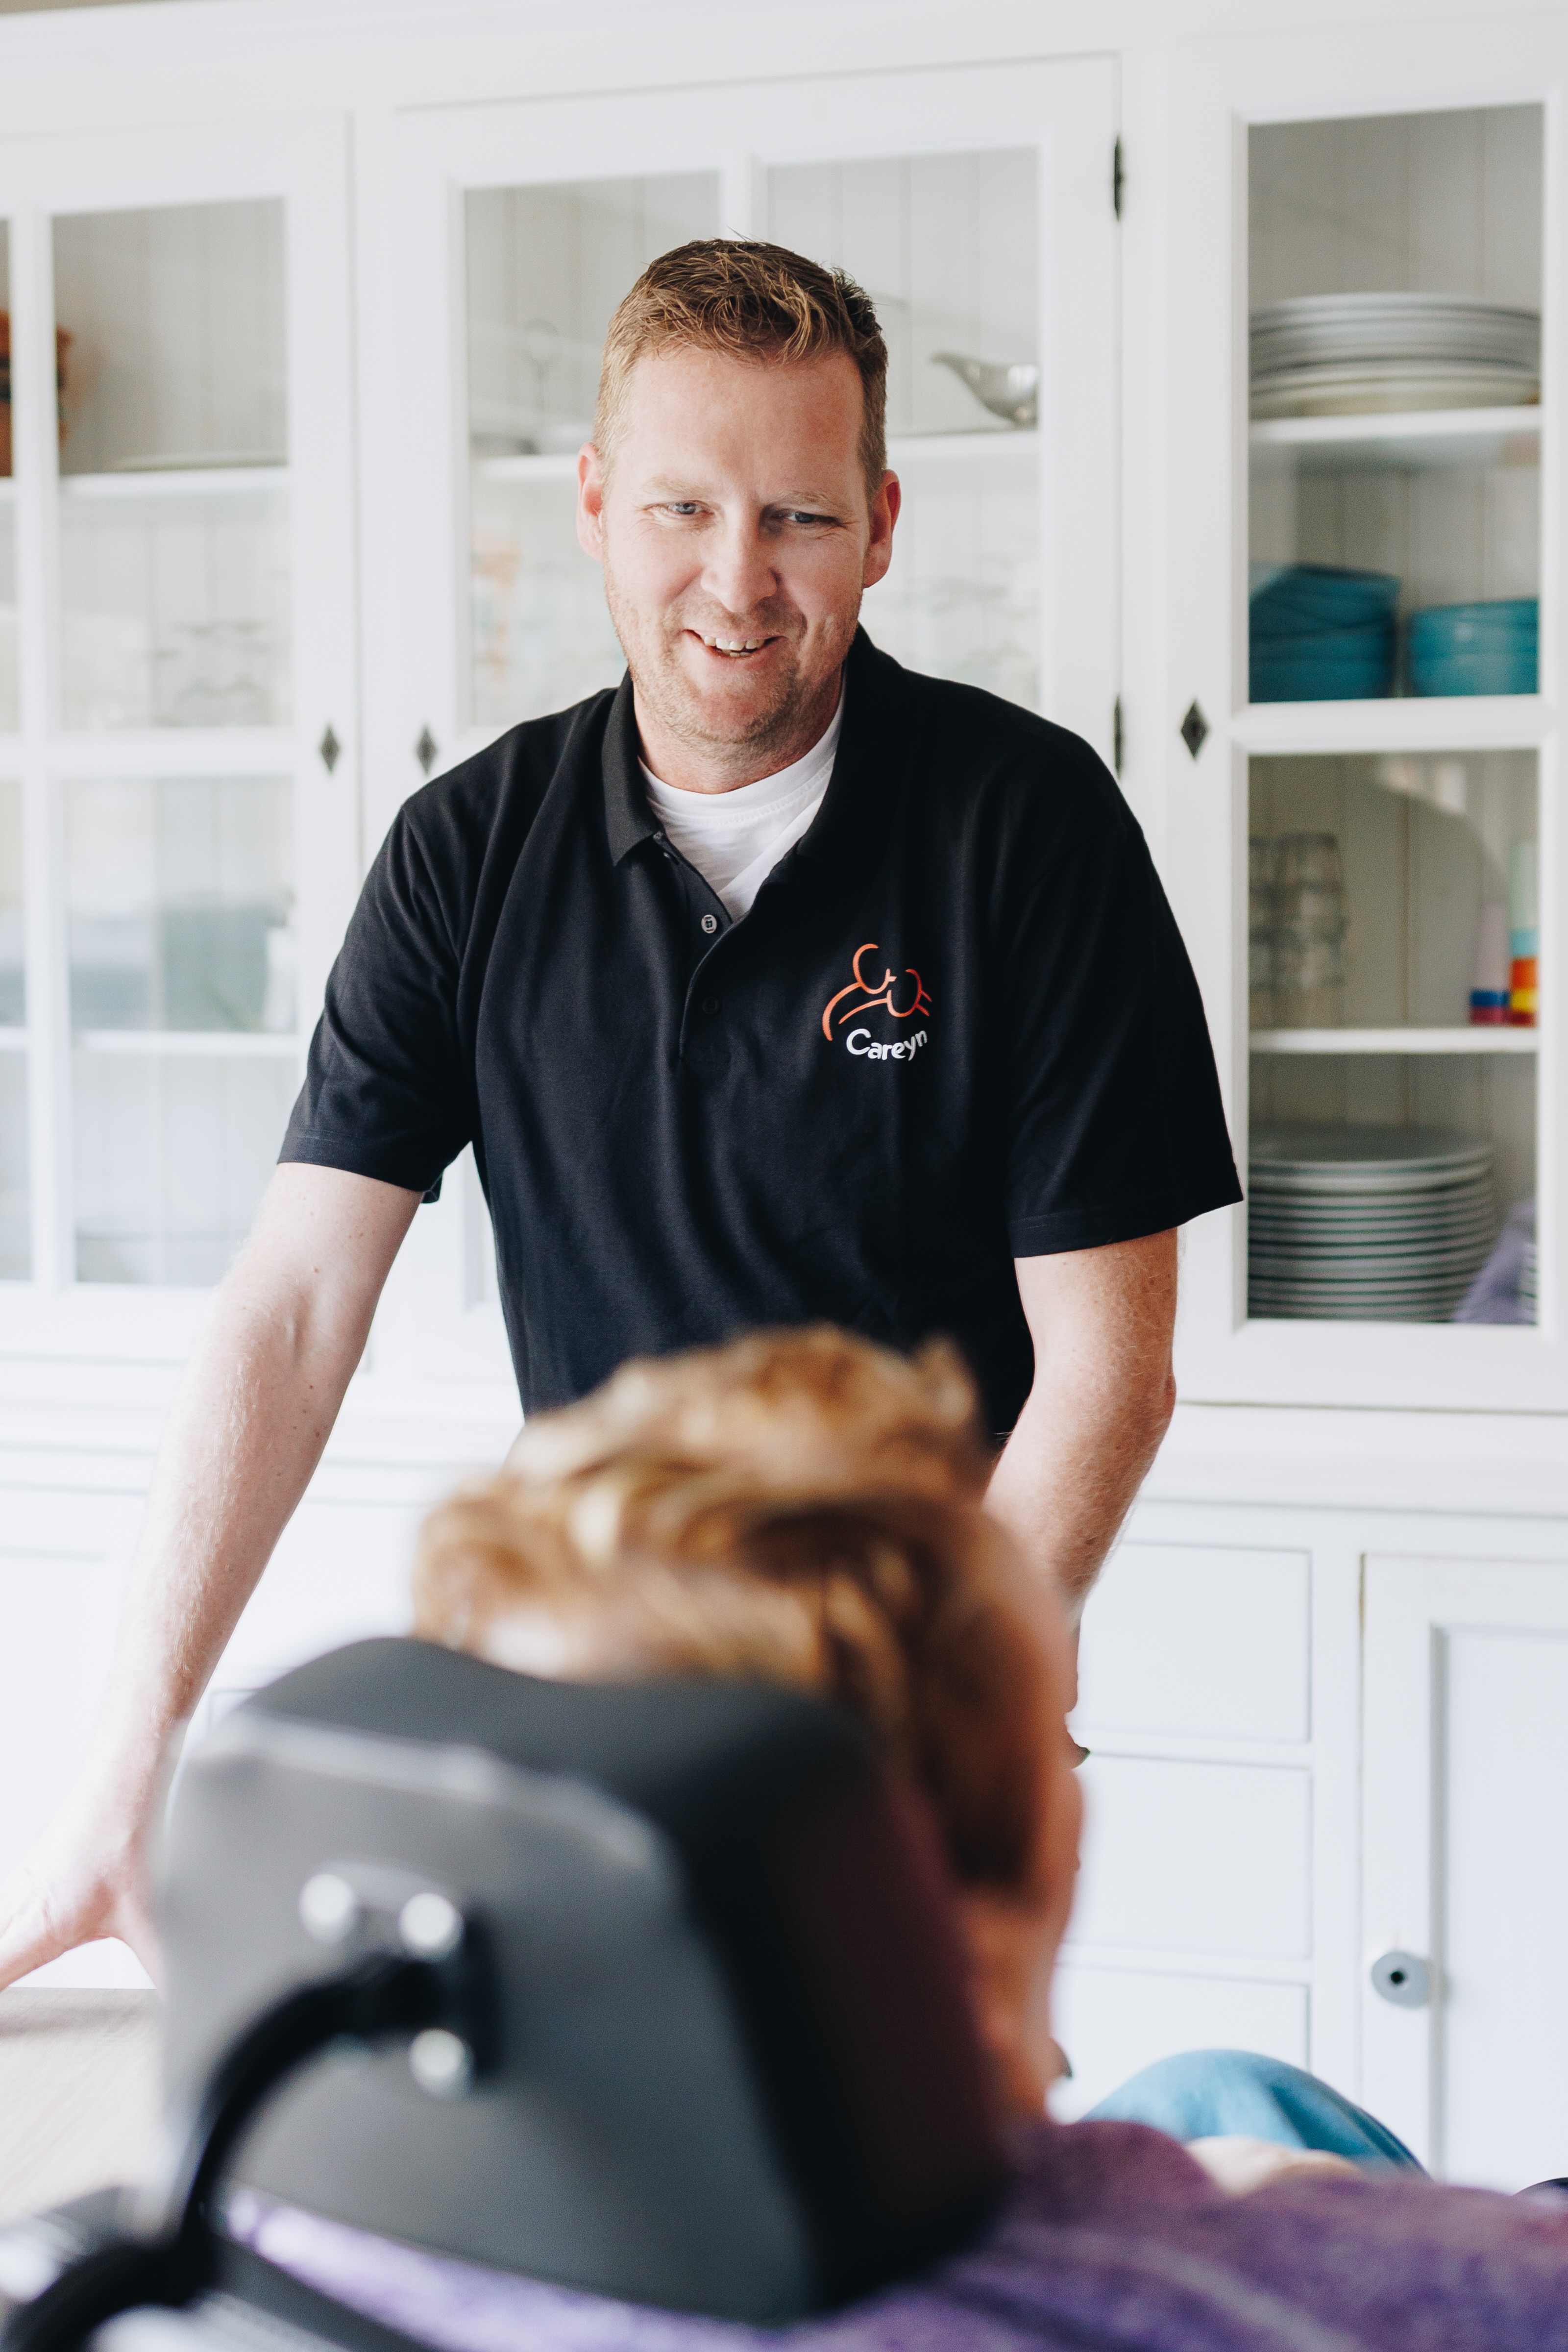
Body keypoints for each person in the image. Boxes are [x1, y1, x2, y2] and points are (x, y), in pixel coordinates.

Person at [0, 240, 1239, 1992]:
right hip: (580, 1731)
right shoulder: (465, 851)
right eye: (682, 509)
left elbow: (1109, 1372)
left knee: (911, 2152)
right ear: (593, 506)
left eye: (800, 518)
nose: (737, 578)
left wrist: (921, 1744)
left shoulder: (1029, 827)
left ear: (883, 526)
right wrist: (132, 1769)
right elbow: (292, 1310)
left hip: (915, 1721)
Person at [232, 1324, 1568, 2352]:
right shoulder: (1399, 2291)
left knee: (1212, 2091)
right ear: (1016, 1872)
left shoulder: (264, 2255)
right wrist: (1280, 2212)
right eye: (1057, 1740)